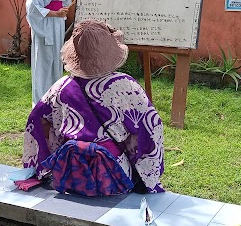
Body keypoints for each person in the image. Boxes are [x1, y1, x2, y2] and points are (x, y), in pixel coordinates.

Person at [22, 19, 165, 195]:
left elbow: (37, 120)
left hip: (69, 173)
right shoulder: (125, 85)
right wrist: (145, 172)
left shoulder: (61, 86)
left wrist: (49, 158)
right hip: (113, 175)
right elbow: (150, 128)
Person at [26, 0, 72, 106]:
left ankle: (55, 100)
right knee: (43, 65)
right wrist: (54, 13)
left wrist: (64, 9)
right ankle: (40, 103)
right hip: (45, 26)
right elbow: (32, 8)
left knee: (56, 63)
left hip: (57, 26)